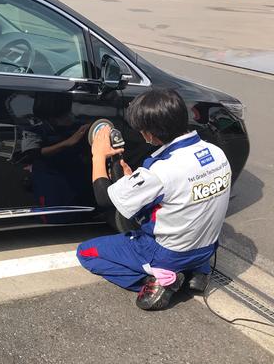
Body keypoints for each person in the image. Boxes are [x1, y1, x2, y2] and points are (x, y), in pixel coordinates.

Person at [77, 89, 231, 310]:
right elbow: (180, 193)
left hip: (168, 254)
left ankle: (163, 279)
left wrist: (98, 155)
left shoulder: (160, 171)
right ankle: (197, 272)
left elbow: (103, 198)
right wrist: (134, 181)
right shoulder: (216, 153)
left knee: (86, 252)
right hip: (207, 248)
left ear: (149, 134)